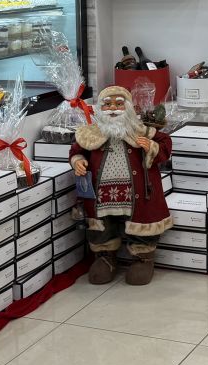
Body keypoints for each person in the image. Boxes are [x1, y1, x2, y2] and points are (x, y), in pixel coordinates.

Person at [70, 84, 173, 285]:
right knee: (102, 226)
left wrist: (151, 147)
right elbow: (76, 151)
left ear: (129, 107)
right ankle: (105, 257)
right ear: (99, 108)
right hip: (101, 197)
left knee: (141, 225)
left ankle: (143, 258)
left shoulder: (141, 131)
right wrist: (78, 161)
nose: (113, 108)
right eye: (107, 104)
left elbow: (165, 144)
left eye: (119, 104)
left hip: (138, 195)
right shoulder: (91, 133)